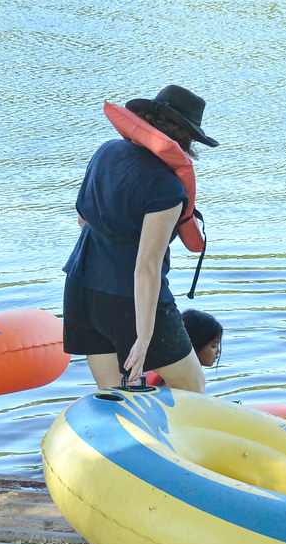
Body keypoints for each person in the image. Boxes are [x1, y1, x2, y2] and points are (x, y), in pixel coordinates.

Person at [62, 85, 219, 392]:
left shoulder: (106, 151)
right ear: (188, 138)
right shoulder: (168, 188)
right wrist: (144, 337)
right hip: (131, 300)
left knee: (113, 396)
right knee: (193, 388)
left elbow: (83, 219)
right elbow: (146, 266)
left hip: (81, 286)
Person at [145, 310, 223, 387]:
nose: (218, 351)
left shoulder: (165, 367)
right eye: (214, 346)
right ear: (194, 345)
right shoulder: (182, 380)